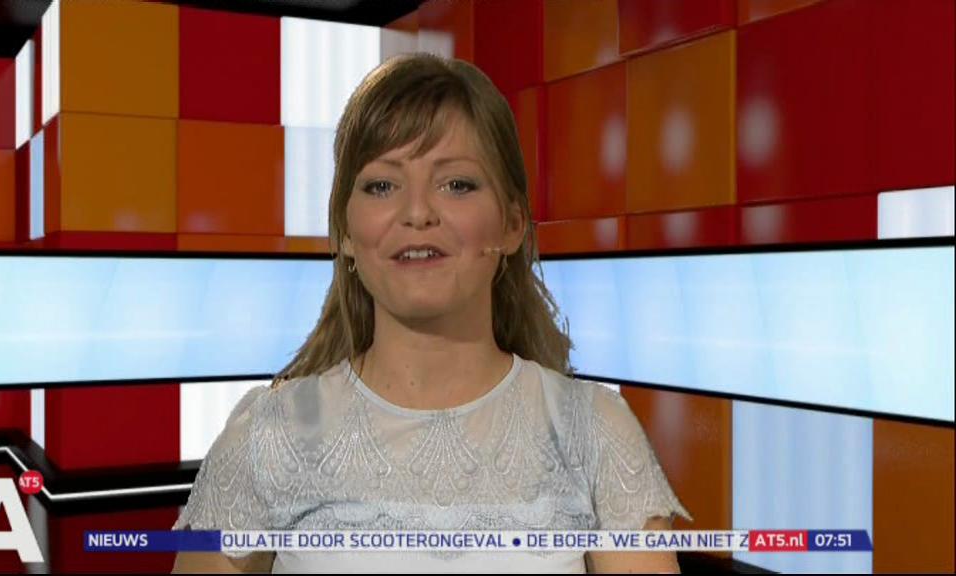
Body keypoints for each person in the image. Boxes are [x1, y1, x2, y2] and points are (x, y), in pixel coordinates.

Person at [172, 52, 691, 574]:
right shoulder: (269, 434)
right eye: (381, 185)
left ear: (513, 224)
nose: (417, 212)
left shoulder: (595, 431)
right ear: (346, 232)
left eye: (456, 184)